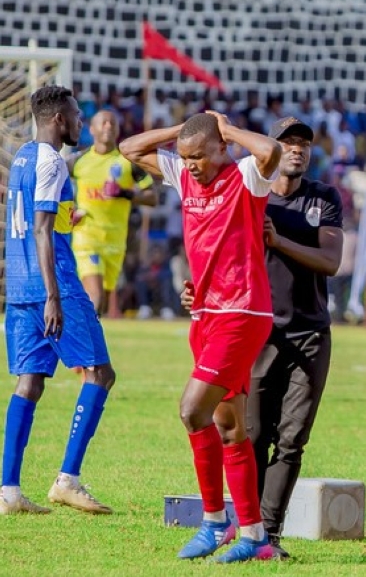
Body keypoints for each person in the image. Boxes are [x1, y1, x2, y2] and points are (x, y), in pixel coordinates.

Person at [120, 111, 283, 561]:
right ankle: (254, 537)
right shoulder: (184, 173)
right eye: (185, 157)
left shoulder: (246, 176)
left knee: (192, 411)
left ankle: (214, 522)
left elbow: (271, 151)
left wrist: (223, 128)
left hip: (242, 312)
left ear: (221, 149)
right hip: (206, 314)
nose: (190, 164)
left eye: (199, 156)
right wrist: (185, 132)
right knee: (229, 426)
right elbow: (129, 148)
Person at [3, 85, 116, 515]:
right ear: (58, 120)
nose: (81, 122)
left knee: (30, 381)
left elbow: (34, 221)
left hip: (19, 284)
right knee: (100, 374)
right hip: (57, 285)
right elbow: (41, 229)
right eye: (76, 116)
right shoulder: (50, 161)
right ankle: (67, 479)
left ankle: (9, 493)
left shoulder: (24, 158)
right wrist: (54, 295)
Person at [244, 117, 343, 557]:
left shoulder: (324, 197)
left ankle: (269, 535)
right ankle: (245, 528)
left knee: (291, 439)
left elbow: (331, 260)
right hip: (258, 332)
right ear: (271, 148)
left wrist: (278, 241)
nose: (297, 149)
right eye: (288, 142)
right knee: (252, 436)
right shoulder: (252, 195)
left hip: (310, 333)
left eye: (303, 143)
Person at [68, 110, 158, 316]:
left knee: (103, 303)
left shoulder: (128, 163)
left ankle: (87, 341)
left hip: (115, 242)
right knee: (95, 294)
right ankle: (81, 344)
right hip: (87, 237)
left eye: (113, 123)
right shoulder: (78, 162)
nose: (108, 126)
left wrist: (125, 193)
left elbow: (152, 197)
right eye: (104, 122)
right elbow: (54, 187)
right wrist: (66, 212)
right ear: (92, 130)